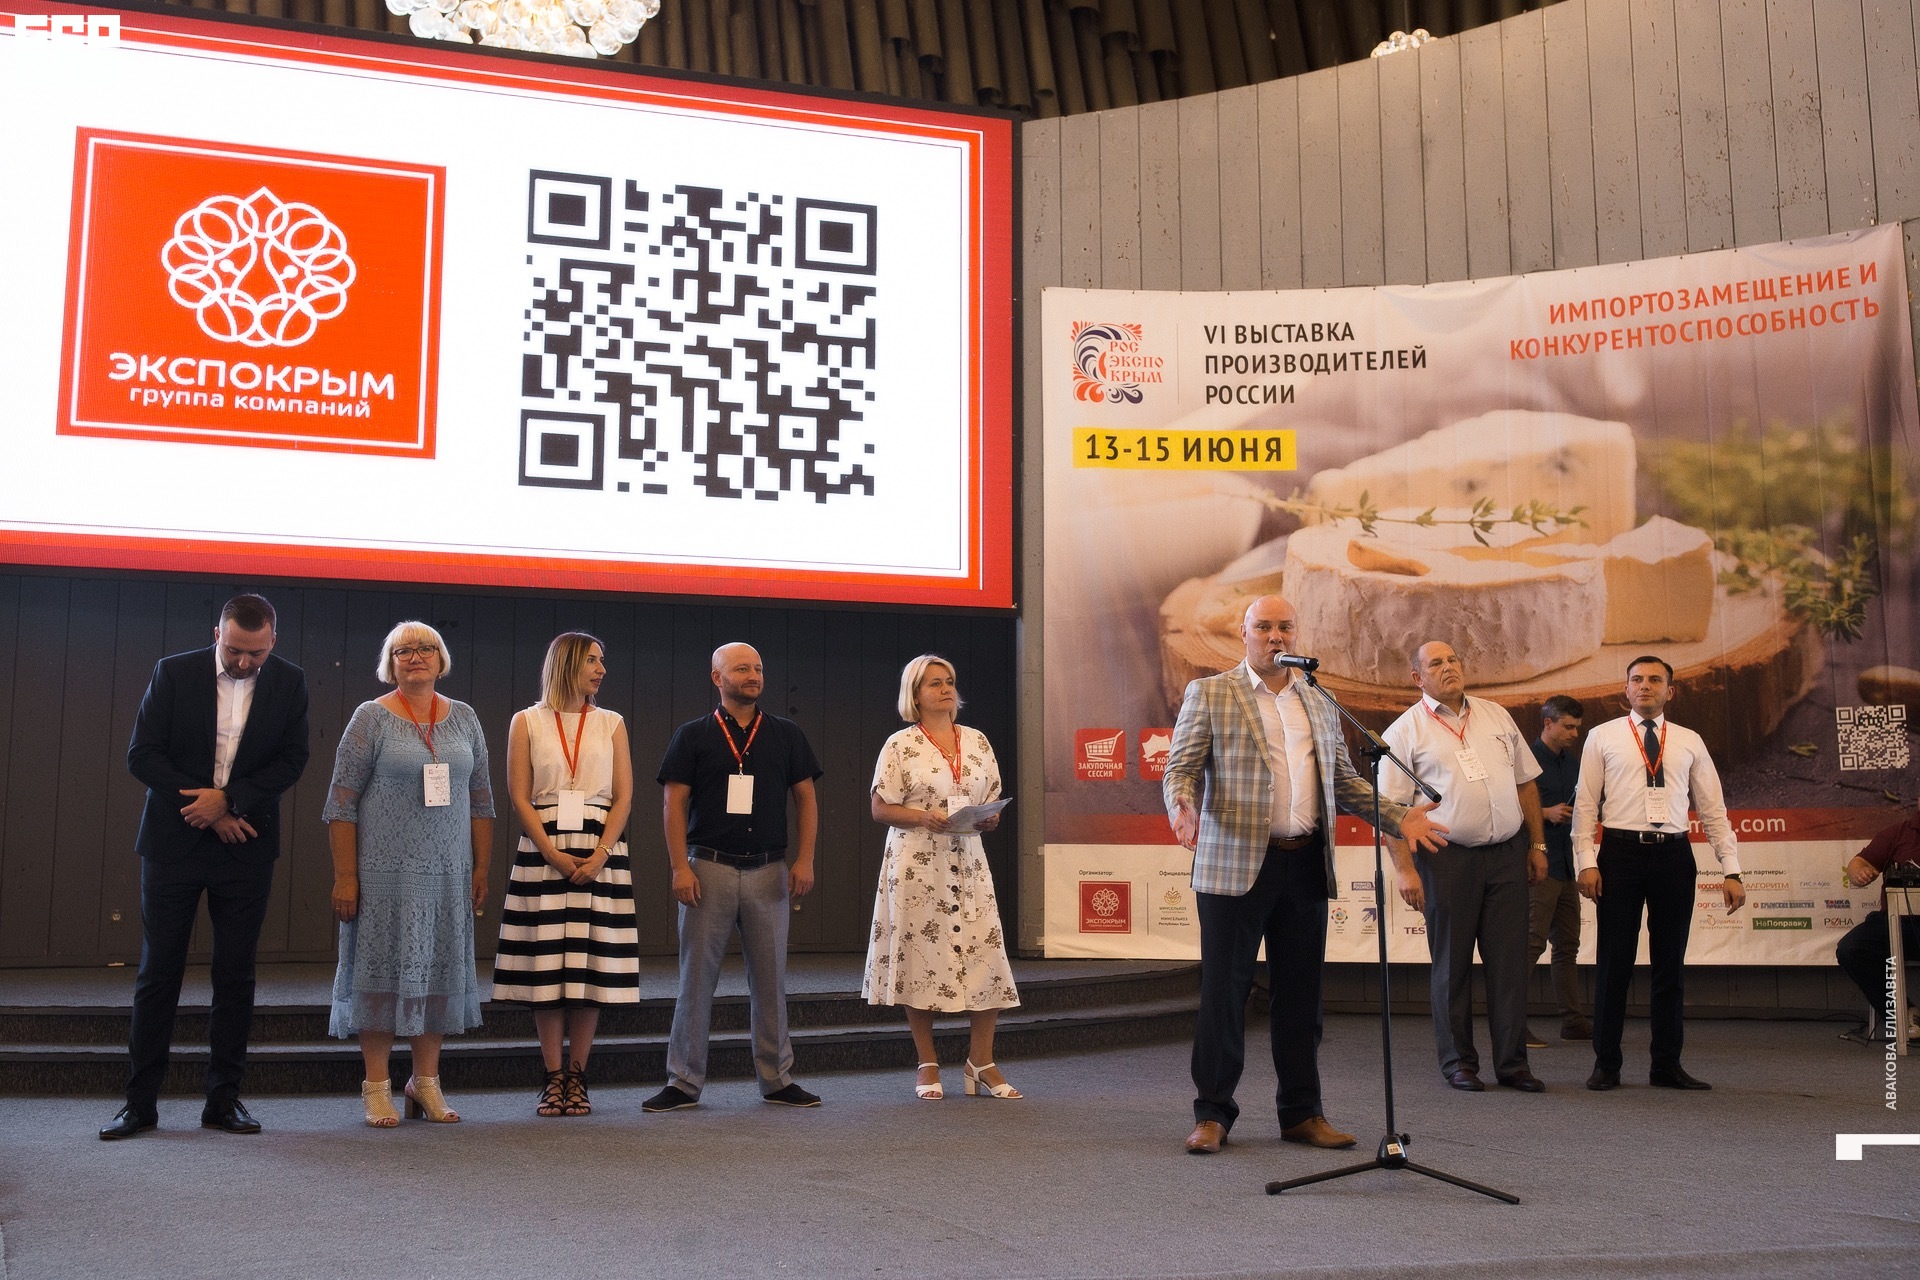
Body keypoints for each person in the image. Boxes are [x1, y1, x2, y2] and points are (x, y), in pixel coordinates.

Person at [1162, 594, 1447, 1155]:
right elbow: (1181, 767)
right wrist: (1182, 804)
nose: (1276, 636)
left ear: (1296, 634)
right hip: (1234, 866)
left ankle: (1301, 1113)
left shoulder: (1318, 699)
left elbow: (1343, 781)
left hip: (1304, 862)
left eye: (1285, 627)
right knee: (1225, 995)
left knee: (1301, 998)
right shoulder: (1211, 692)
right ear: (1243, 633)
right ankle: (1212, 1114)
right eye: (1264, 626)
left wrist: (1396, 816)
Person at [100, 594, 311, 1141]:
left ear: (273, 641)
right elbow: (142, 754)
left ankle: (223, 1100)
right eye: (235, 650)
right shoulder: (173, 672)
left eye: (256, 653)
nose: (244, 662)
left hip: (247, 844)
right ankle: (139, 1104)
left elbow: (293, 759)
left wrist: (231, 801)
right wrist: (210, 808)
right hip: (174, 841)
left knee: (235, 974)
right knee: (159, 972)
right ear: (217, 634)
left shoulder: (289, 681)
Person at [325, 622, 494, 1127]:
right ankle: (376, 1087)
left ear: (441, 659)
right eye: (404, 650)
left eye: (425, 648)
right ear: (390, 662)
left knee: (437, 974)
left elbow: (481, 799)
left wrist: (481, 867)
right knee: (380, 978)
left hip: (448, 874)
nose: (415, 656)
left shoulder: (465, 717)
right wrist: (345, 877)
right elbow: (340, 804)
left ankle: (425, 1083)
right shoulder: (370, 717)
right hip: (384, 877)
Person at [646, 642, 822, 1111]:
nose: (753, 675)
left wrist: (805, 859)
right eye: (742, 668)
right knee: (695, 981)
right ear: (717, 678)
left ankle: (777, 1079)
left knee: (771, 982)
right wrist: (679, 866)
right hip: (709, 869)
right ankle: (683, 1082)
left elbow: (806, 798)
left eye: (758, 668)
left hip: (769, 870)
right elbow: (673, 803)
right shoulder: (692, 735)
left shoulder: (786, 733)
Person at [1572, 655, 1744, 1091]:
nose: (1644, 686)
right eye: (1636, 679)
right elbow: (1586, 806)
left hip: (1673, 857)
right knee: (1614, 962)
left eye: (1654, 680)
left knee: (1670, 964)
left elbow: (1714, 810)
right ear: (1625, 689)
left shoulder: (1689, 740)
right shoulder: (1602, 736)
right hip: (1620, 855)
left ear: (1671, 690)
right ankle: (1606, 1064)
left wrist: (1732, 870)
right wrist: (1587, 862)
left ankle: (1666, 1065)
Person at [1383, 642, 1549, 1093]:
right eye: (1436, 663)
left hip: (1507, 854)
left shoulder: (1496, 715)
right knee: (1452, 965)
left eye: (1453, 660)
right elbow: (1391, 812)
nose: (1448, 667)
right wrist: (1406, 871)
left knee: (1509, 964)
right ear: (1418, 677)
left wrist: (1536, 844)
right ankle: (1459, 1062)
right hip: (1446, 858)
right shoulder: (1405, 731)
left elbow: (1525, 784)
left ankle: (1513, 1064)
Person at [493, 632, 639, 1116]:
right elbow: (519, 795)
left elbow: (624, 796)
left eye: (602, 661)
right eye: (592, 661)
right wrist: (552, 853)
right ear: (567, 664)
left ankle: (578, 1076)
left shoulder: (611, 723)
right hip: (545, 848)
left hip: (600, 849)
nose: (601, 670)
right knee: (548, 970)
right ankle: (553, 1077)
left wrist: (602, 854)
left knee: (587, 969)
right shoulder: (527, 721)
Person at [864, 655, 1021, 1101]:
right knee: (920, 958)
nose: (945, 689)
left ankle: (981, 1062)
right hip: (917, 863)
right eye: (934, 683)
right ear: (915, 695)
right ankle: (927, 1062)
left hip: (968, 861)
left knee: (986, 957)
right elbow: (880, 808)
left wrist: (989, 818)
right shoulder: (900, 744)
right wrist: (922, 817)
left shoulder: (978, 741)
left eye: (949, 681)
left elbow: (991, 797)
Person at [1526, 695, 1590, 1046]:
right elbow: (1505, 808)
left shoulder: (1572, 762)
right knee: (1530, 944)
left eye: (1577, 727)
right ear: (1547, 724)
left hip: (1565, 865)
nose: (1574, 734)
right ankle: (1512, 1024)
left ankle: (1573, 1022)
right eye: (1568, 727)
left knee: (1567, 945)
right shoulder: (1526, 761)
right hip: (1537, 865)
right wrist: (1545, 813)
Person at [1835, 805, 1920, 1044]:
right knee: (1852, 949)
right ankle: (1904, 1013)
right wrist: (1859, 872)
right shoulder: (1899, 833)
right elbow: (1860, 862)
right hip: (1897, 923)